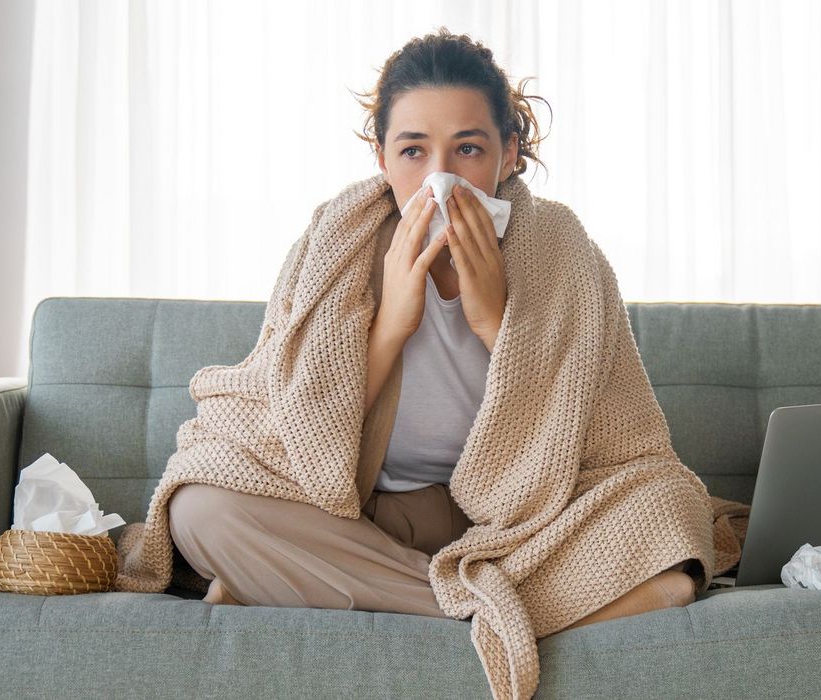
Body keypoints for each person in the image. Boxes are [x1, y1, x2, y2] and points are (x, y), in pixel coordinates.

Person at [168, 26, 695, 636]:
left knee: (669, 509)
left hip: (523, 520)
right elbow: (298, 434)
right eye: (414, 151)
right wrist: (391, 323)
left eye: (468, 149)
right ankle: (493, 612)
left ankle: (326, 589)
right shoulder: (335, 242)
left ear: (510, 152)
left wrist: (495, 322)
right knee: (202, 509)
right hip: (370, 516)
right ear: (382, 156)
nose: (440, 177)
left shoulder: (561, 249)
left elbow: (610, 436)